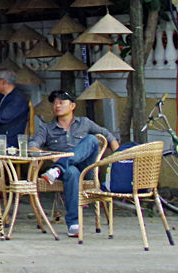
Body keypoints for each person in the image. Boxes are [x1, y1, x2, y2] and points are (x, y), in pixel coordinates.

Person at [33, 89, 119, 238]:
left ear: (72, 106)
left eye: (61, 102)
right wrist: (48, 155)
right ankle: (74, 224)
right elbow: (32, 147)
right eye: (55, 103)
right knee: (72, 171)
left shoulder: (84, 123)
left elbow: (108, 136)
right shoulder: (47, 128)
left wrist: (118, 158)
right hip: (67, 174)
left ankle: (59, 168)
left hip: (87, 168)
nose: (57, 106)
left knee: (92, 140)